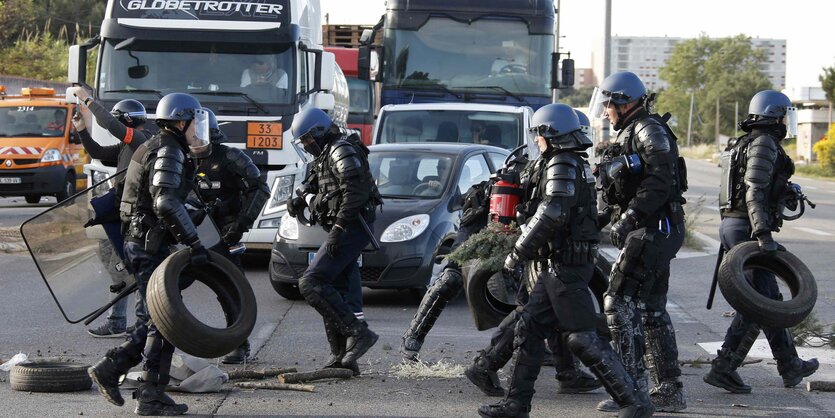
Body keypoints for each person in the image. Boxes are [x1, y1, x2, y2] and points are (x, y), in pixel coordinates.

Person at [478, 103, 652, 418]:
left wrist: (519, 251)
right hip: (555, 265)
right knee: (529, 329)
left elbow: (552, 212)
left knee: (582, 336)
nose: (537, 141)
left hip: (565, 266)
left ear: (549, 133)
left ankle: (634, 402)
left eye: (538, 134)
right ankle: (516, 405)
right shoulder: (567, 162)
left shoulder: (562, 163)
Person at [88, 93, 210, 416]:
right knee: (164, 320)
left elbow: (166, 198)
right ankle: (135, 385)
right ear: (181, 122)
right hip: (148, 244)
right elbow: (164, 202)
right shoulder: (169, 149)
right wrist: (195, 244)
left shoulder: (158, 145)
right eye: (194, 121)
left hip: (142, 241)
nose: (197, 128)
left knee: (162, 319)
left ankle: (136, 383)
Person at [704, 89, 818, 393]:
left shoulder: (747, 142)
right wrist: (763, 233)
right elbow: (753, 188)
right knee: (759, 305)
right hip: (746, 228)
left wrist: (785, 190)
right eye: (784, 115)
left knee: (769, 300)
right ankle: (724, 366)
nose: (785, 122)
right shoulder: (764, 143)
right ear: (774, 115)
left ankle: (789, 365)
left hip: (737, 225)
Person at [590, 71, 687, 412]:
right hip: (655, 228)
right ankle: (669, 392)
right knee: (652, 310)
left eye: (609, 105)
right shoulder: (634, 131)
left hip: (653, 228)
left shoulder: (648, 130)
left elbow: (661, 182)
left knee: (618, 303)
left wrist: (631, 217)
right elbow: (625, 188)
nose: (605, 112)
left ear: (624, 102)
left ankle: (631, 391)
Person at [285, 107, 382, 375]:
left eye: (306, 139)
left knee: (311, 282)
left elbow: (357, 191)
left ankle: (359, 334)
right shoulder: (325, 155)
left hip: (352, 227)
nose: (305, 145)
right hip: (341, 227)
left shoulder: (341, 150)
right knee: (333, 287)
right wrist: (297, 198)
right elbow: (314, 184)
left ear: (318, 132)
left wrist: (339, 228)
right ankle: (341, 357)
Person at [70, 87, 153, 338]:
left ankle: (145, 325)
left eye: (119, 122)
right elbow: (97, 152)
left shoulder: (142, 140)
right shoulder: (126, 146)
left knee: (138, 267)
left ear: (126, 122)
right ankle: (118, 322)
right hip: (122, 213)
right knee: (118, 264)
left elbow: (110, 125)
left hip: (138, 216)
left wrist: (86, 98)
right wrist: (82, 128)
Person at [193, 107, 270, 364]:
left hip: (224, 231)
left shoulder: (231, 157)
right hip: (188, 229)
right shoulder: (178, 157)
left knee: (230, 286)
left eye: (201, 135)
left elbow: (259, 188)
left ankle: (239, 342)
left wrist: (241, 223)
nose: (196, 141)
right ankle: (158, 338)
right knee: (163, 283)